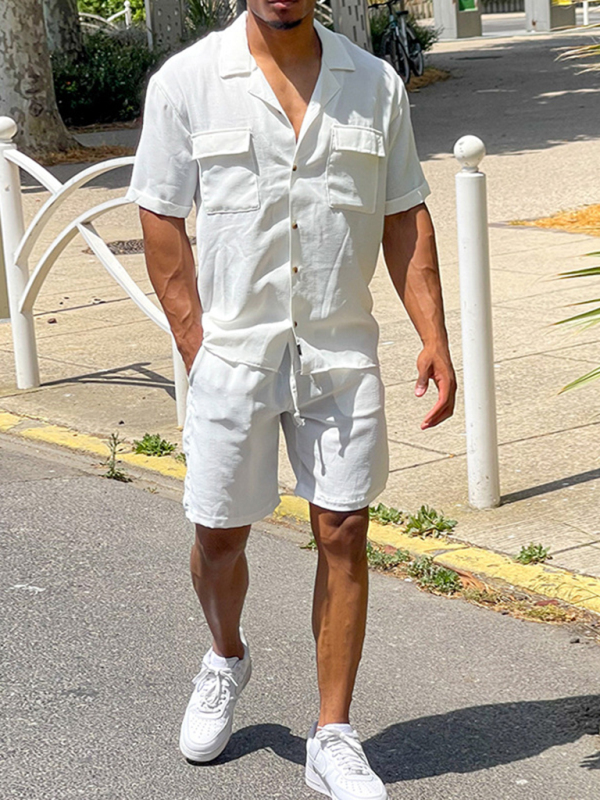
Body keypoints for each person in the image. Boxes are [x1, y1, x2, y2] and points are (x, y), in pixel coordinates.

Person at [127, 0, 456, 795]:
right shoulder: (187, 82)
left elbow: (403, 212)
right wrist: (195, 342)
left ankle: (333, 734)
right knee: (219, 535)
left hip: (339, 350)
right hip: (232, 356)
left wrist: (434, 334)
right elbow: (160, 213)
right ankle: (225, 657)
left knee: (344, 528)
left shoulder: (373, 84)